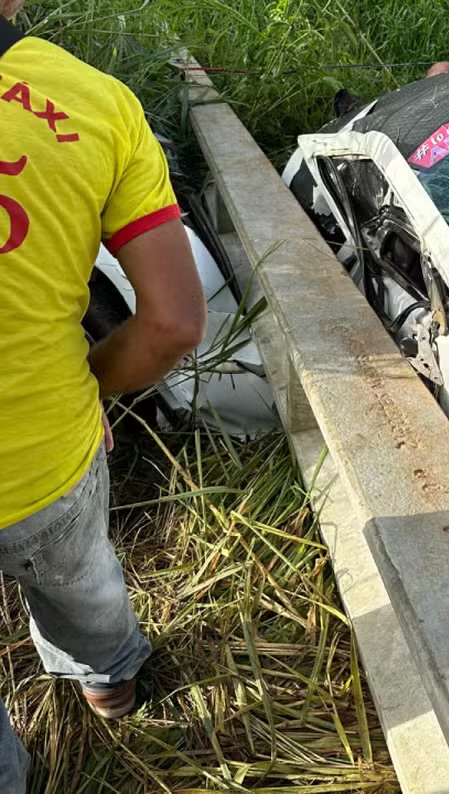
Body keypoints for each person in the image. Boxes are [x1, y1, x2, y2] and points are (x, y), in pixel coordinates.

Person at [0, 2, 206, 790]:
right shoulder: (95, 105)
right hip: (47, 455)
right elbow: (175, 322)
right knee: (79, 579)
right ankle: (110, 680)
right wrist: (90, 390)